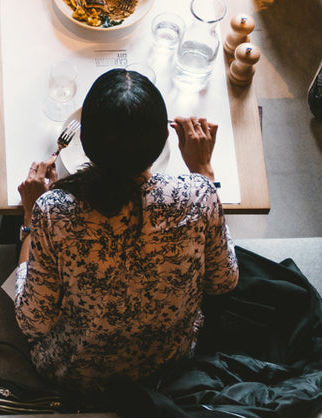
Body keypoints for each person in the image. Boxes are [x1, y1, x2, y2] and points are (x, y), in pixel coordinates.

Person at [13, 69, 238, 393]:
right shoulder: (199, 195)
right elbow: (224, 281)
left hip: (77, 375)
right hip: (168, 368)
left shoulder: (53, 212)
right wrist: (203, 173)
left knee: (11, 234)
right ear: (164, 142)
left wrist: (30, 217)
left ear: (85, 145)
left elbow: (31, 321)